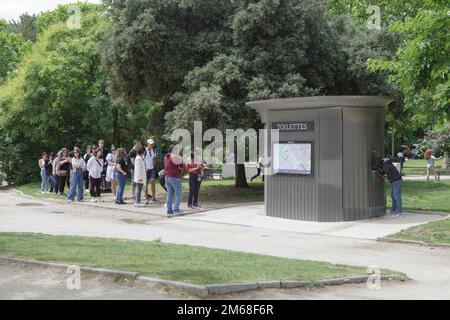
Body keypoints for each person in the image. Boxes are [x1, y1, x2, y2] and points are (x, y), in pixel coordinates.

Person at [164, 145, 183, 215]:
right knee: (179, 193)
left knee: (169, 194)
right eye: (176, 149)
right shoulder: (175, 156)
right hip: (174, 177)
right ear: (172, 150)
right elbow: (181, 162)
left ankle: (169, 210)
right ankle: (176, 208)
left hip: (167, 177)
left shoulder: (166, 157)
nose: (177, 151)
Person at [144, 139, 159, 204]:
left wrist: (154, 163)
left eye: (152, 144)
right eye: (150, 144)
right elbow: (142, 159)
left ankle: (153, 197)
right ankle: (146, 197)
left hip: (152, 169)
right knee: (146, 183)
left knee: (153, 181)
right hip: (145, 169)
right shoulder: (144, 150)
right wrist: (144, 168)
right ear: (147, 144)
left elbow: (154, 158)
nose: (152, 145)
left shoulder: (154, 150)